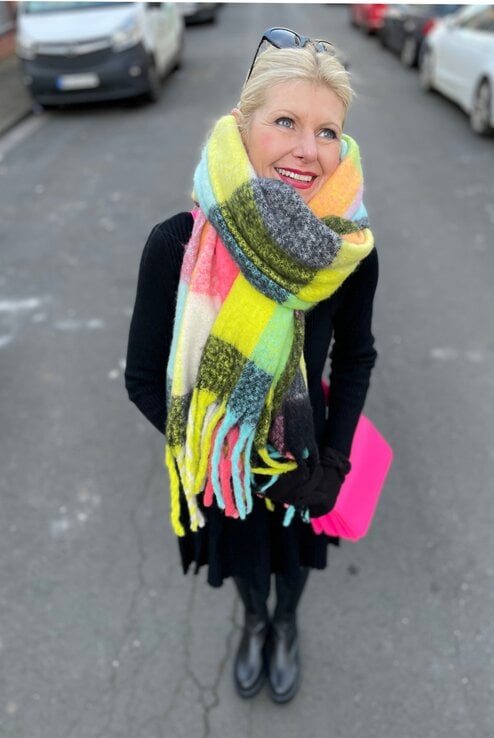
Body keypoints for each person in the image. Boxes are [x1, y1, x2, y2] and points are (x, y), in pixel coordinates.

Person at [125, 27, 379, 704]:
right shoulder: (176, 244)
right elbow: (144, 379)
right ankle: (256, 622)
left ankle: (285, 623)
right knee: (244, 561)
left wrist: (334, 462)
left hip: (306, 460)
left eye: (329, 131)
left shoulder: (347, 252)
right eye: (287, 122)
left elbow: (357, 357)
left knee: (292, 564)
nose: (308, 149)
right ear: (243, 125)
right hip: (224, 462)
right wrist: (218, 453)